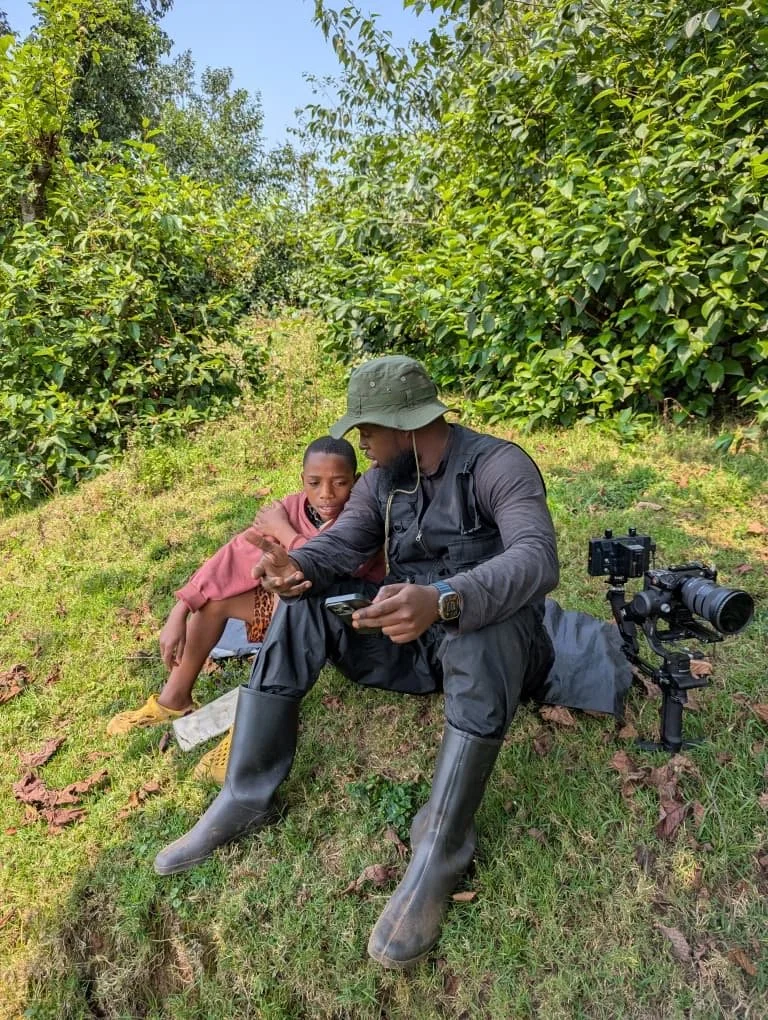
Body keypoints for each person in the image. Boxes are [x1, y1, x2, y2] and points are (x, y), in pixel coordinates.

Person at [153, 355, 559, 969]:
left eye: (367, 428)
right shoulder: (383, 479)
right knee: (306, 602)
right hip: (410, 643)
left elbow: (537, 558)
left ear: (406, 422)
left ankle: (439, 849)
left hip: (497, 651)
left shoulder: (499, 465)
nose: (360, 442)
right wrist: (300, 568)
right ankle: (248, 792)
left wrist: (446, 599)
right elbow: (344, 544)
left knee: (481, 629)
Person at [107, 435, 382, 782]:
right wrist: (180, 609)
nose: (327, 494)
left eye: (340, 483)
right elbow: (233, 555)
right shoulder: (294, 508)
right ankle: (174, 699)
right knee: (215, 601)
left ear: (355, 483)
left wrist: (284, 532)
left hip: (342, 620)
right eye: (315, 483)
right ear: (302, 481)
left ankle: (245, 738)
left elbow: (334, 565)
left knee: (293, 601)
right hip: (291, 610)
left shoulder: (362, 514)